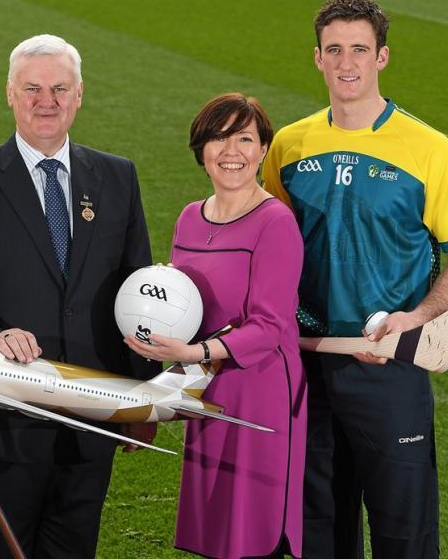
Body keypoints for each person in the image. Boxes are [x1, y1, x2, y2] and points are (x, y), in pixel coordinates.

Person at [261, 0, 448, 558]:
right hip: (306, 364)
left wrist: (419, 317)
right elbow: (265, 249)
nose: (346, 63)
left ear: (381, 57)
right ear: (317, 58)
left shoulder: (430, 149)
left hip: (388, 367)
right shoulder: (288, 146)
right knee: (317, 529)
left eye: (359, 49)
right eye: (333, 49)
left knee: (402, 533)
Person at [0, 33, 156, 559]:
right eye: (32, 89)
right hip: (1, 415)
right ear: (9, 93)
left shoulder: (118, 177)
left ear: (79, 94)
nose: (45, 101)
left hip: (90, 416)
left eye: (59, 89)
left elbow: (138, 289)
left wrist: (140, 394)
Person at [125, 93, 306, 559]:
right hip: (207, 390)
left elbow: (269, 327)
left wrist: (194, 354)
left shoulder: (275, 222)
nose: (232, 151)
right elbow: (188, 311)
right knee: (215, 532)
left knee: (252, 534)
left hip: (259, 392)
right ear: (201, 150)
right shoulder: (189, 218)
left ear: (263, 149)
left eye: (245, 138)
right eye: (219, 138)